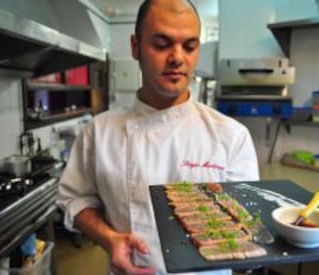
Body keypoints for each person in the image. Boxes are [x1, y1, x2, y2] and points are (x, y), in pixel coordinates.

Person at [56, 0, 259, 274]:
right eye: (162, 44)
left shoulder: (231, 136)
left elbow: (246, 223)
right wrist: (109, 238)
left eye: (189, 46)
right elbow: (75, 199)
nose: (177, 57)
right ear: (135, 47)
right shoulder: (98, 133)